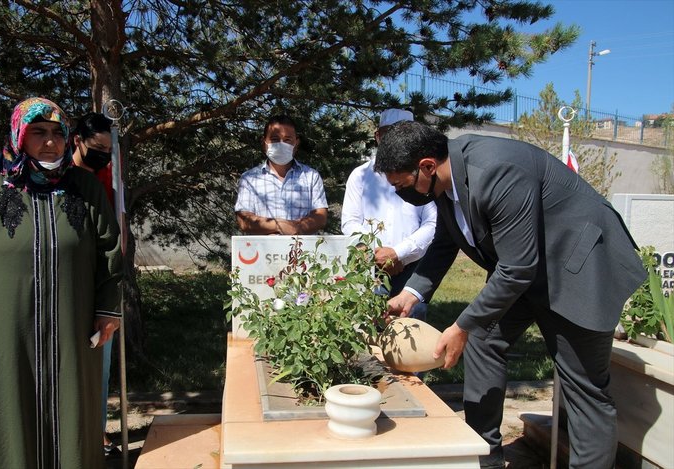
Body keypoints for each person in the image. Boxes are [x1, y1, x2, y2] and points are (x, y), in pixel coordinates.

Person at [374, 121, 646, 469]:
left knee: (584, 390)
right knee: (483, 341)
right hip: (528, 270)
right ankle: (483, 456)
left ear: (426, 166)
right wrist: (411, 293)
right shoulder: (446, 180)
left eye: (403, 184)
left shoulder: (496, 170)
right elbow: (446, 240)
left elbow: (518, 268)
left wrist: (460, 325)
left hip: (580, 267)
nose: (402, 193)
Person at [0, 97, 122, 468]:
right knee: (5, 409)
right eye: (38, 132)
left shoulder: (83, 188)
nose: (51, 142)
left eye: (58, 132)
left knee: (72, 414)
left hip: (70, 332)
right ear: (19, 134)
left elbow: (110, 251)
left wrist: (108, 309)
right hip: (2, 333)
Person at [341, 109, 436, 321]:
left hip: (412, 267)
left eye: (401, 133)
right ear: (377, 136)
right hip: (371, 267)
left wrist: (397, 254)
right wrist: (379, 255)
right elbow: (350, 221)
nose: (394, 139)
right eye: (388, 133)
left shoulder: (423, 175)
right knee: (369, 324)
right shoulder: (360, 176)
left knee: (410, 325)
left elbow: (432, 224)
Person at [72, 111, 121, 458]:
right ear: (77, 141)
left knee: (100, 364)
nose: (103, 155)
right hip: (69, 281)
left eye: (108, 149)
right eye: (97, 147)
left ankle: (98, 431)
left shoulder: (106, 176)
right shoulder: (61, 176)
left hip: (98, 284)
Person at [235, 114, 328, 234]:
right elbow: (244, 220)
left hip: (303, 250)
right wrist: (279, 226)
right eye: (275, 139)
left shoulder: (311, 176)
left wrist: (297, 228)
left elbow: (321, 216)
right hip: (263, 251)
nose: (281, 144)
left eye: (287, 140)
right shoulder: (249, 179)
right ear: (264, 143)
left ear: (296, 143)